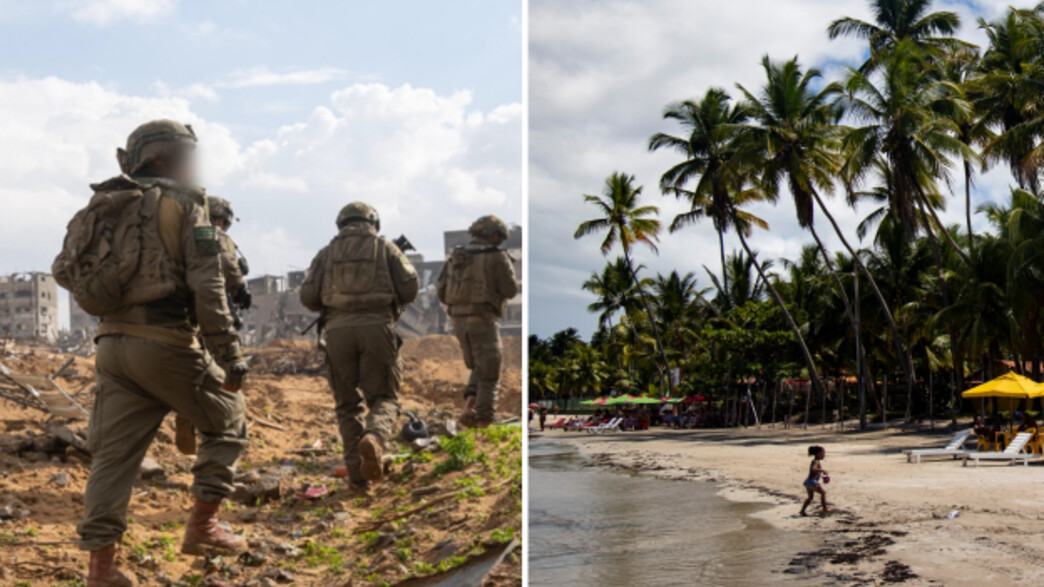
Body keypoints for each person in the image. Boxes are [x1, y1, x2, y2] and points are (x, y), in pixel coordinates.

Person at [56, 120, 250, 586]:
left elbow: (64, 271)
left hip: (111, 347)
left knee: (112, 459)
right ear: (166, 159)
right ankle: (203, 525)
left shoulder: (103, 206)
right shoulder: (187, 203)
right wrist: (228, 352)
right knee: (230, 420)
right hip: (164, 340)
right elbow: (208, 283)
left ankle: (101, 569)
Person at [300, 202, 419, 490]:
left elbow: (308, 297)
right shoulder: (388, 248)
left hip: (337, 332)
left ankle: (357, 477)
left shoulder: (325, 254)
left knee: (347, 405)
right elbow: (411, 288)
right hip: (378, 328)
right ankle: (375, 438)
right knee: (384, 398)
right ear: (373, 222)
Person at [437, 215, 519, 428]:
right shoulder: (496, 256)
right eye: (498, 238)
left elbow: (441, 291)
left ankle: (469, 408)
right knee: (490, 372)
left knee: (480, 366)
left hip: (459, 322)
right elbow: (510, 290)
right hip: (483, 319)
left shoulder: (456, 256)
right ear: (493, 235)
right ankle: (484, 420)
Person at [208, 196, 252, 327]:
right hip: (209, 299)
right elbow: (227, 263)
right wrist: (240, 289)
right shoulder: (214, 235)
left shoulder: (186, 231)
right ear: (219, 220)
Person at [800, 445, 832, 517]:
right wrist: (822, 470)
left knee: (810, 497)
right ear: (818, 453)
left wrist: (822, 477)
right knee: (823, 493)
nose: (824, 455)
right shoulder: (816, 462)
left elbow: (814, 472)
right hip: (812, 482)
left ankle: (802, 511)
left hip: (808, 481)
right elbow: (813, 469)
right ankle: (825, 509)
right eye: (823, 453)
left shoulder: (815, 461)